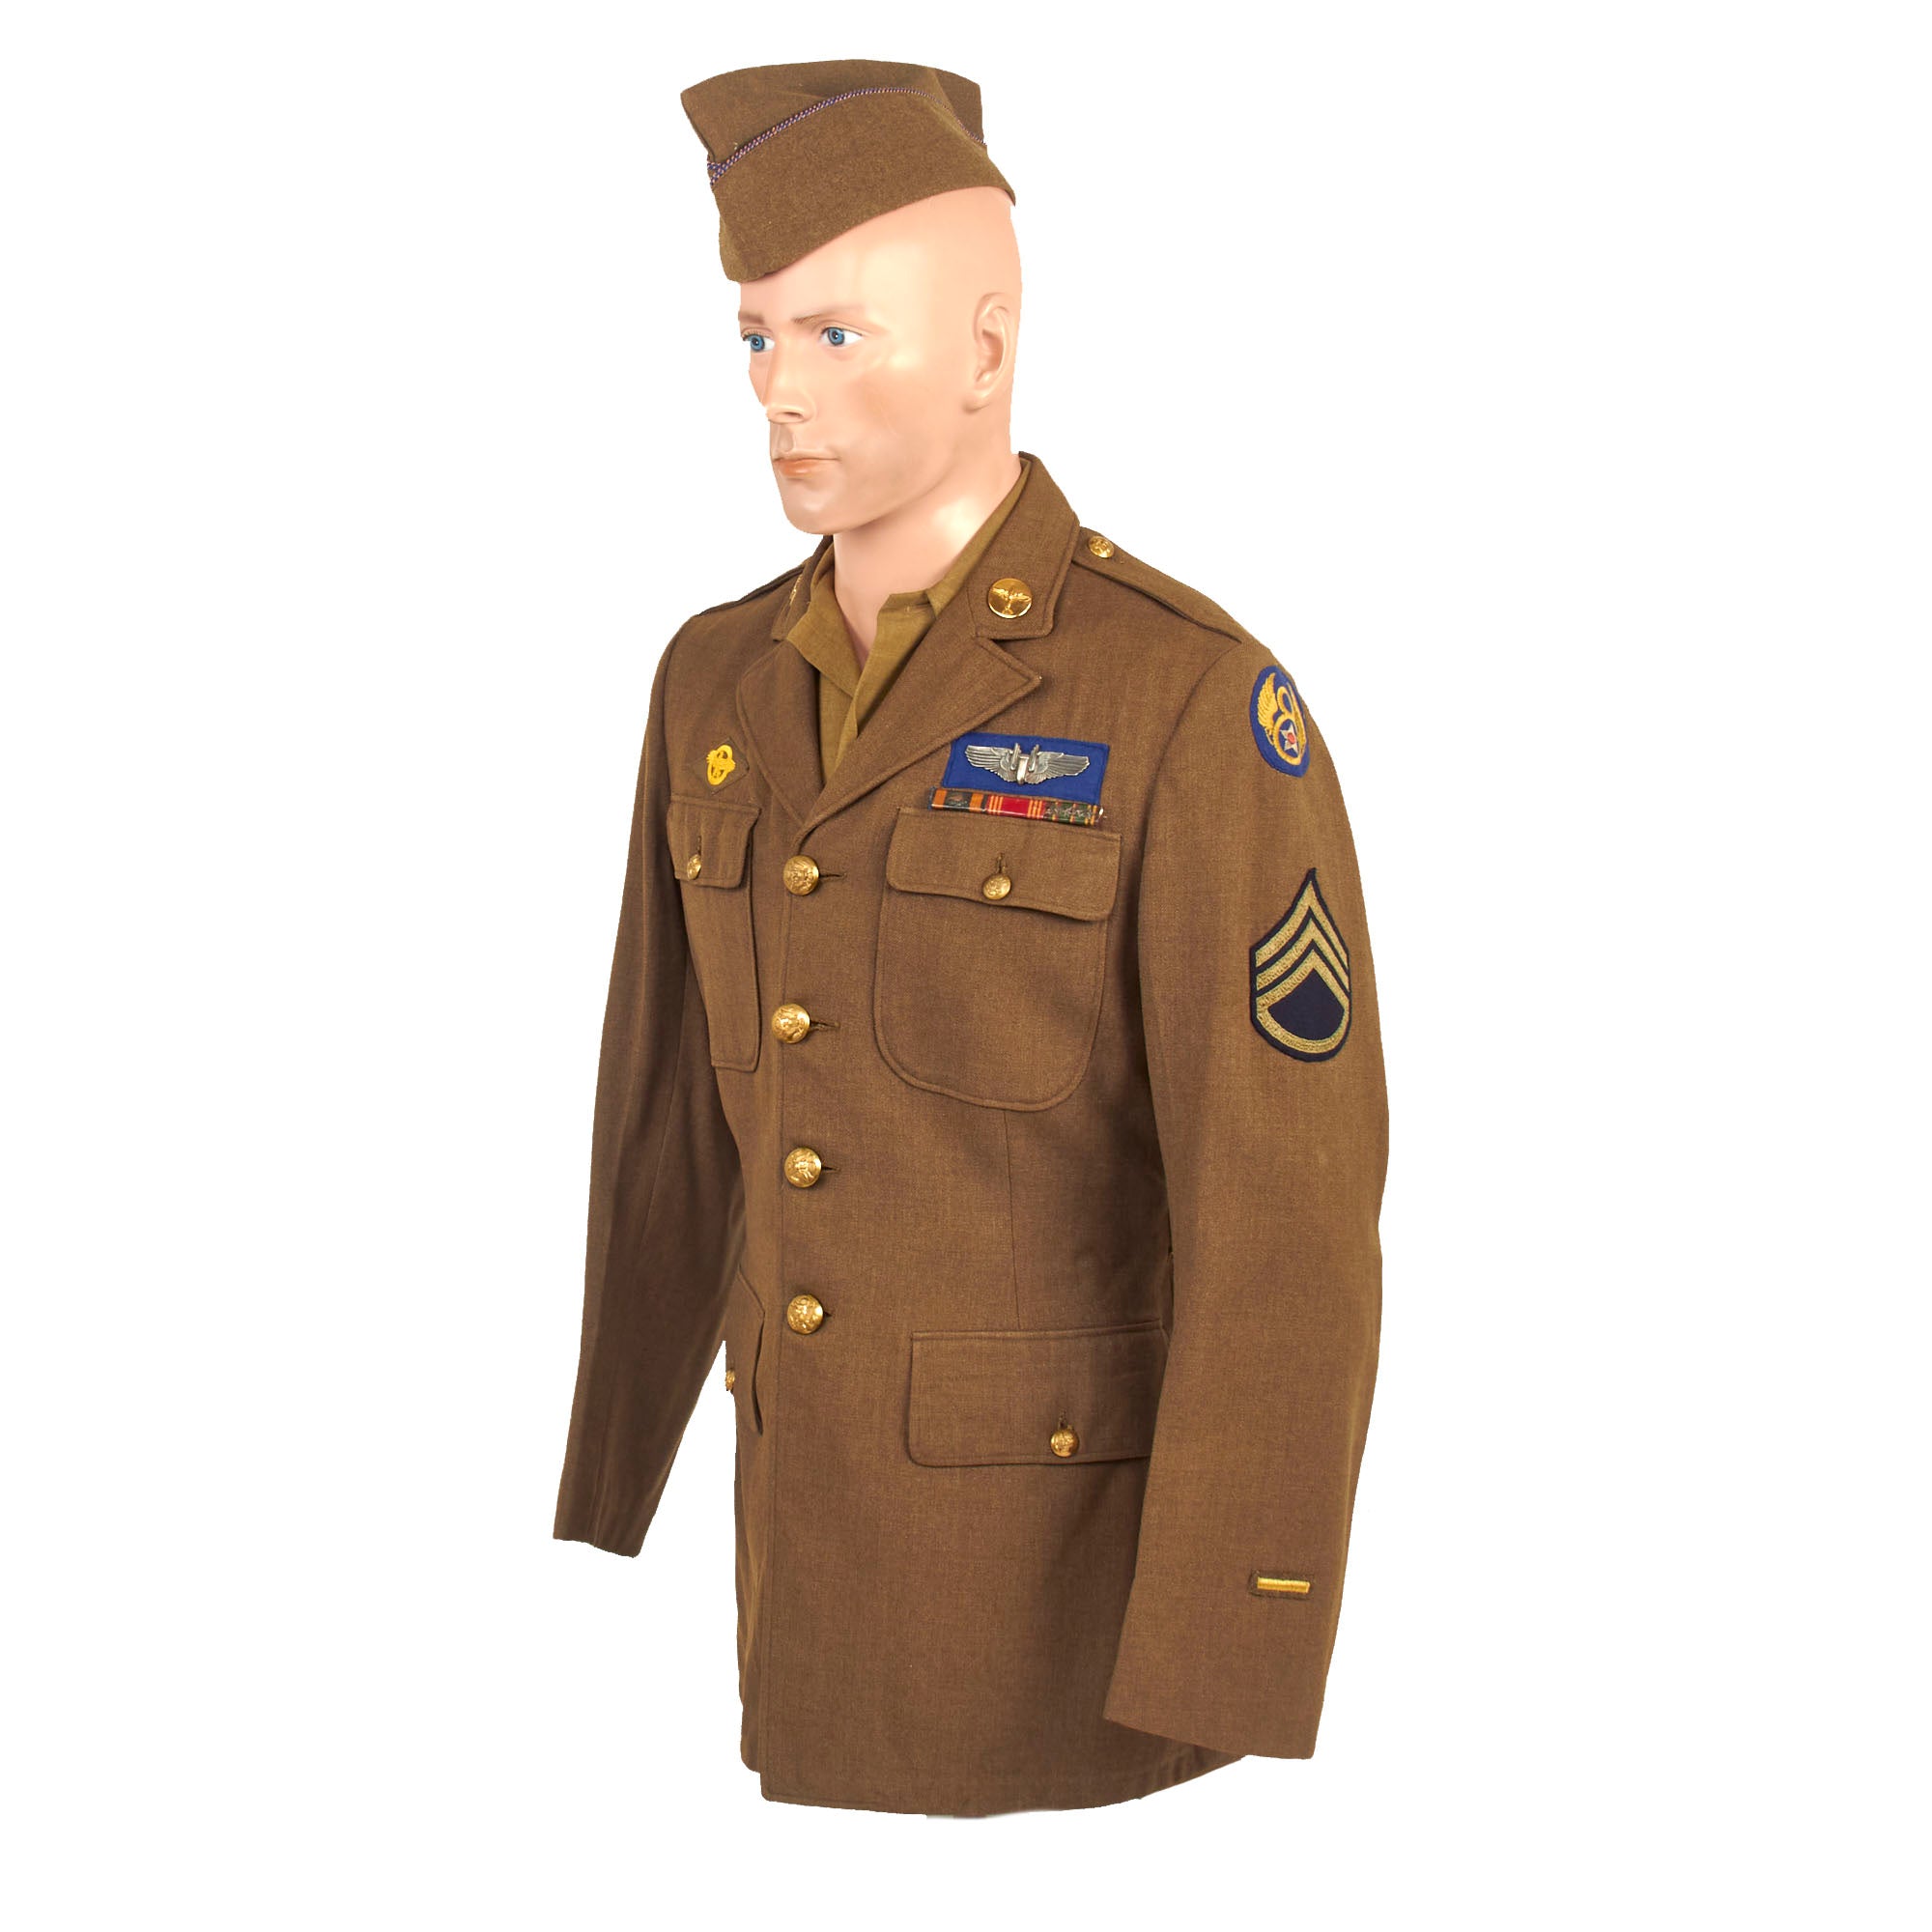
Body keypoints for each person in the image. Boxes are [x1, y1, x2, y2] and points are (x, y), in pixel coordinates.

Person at [554, 58, 1389, 1818]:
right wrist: (610, 1471)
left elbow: (1286, 1216)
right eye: (755, 337)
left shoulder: (1182, 697)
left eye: (837, 333)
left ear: (986, 352)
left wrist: (1233, 1641)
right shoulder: (714, 677)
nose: (779, 389)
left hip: (1065, 1612)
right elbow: (668, 1119)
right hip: (798, 1568)